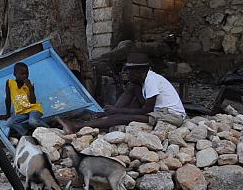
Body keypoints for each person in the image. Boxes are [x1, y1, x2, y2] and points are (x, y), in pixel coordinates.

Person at [57, 52, 186, 133]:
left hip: (172, 116)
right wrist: (114, 109)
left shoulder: (151, 79)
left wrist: (118, 111)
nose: (126, 73)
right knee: (132, 88)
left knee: (124, 117)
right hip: (160, 111)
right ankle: (106, 116)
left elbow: (146, 110)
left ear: (140, 72)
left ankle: (77, 127)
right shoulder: (142, 82)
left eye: (129, 71)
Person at [0, 62, 47, 137]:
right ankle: (27, 134)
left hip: (33, 109)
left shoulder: (29, 84)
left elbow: (32, 102)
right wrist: (7, 114)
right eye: (22, 74)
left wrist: (30, 88)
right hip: (21, 112)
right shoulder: (10, 83)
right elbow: (8, 99)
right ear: (15, 74)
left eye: (27, 73)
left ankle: (48, 129)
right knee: (9, 122)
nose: (25, 76)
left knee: (32, 122)